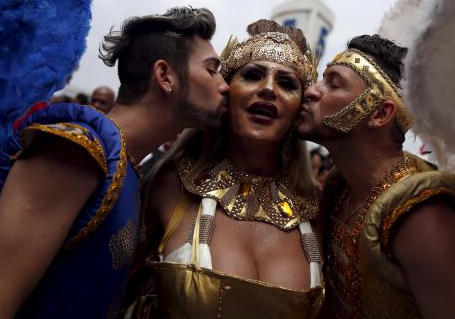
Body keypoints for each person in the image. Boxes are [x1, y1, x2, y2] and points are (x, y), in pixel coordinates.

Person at [0, 6, 229, 318]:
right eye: (212, 70)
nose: (224, 85)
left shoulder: (128, 167)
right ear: (165, 76)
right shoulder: (75, 149)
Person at [125, 19, 323, 318]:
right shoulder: (172, 184)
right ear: (226, 92)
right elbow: (106, 289)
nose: (268, 89)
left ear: (299, 109)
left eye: (286, 83)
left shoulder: (317, 208)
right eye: (253, 75)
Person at [297, 34, 455, 318]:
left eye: (334, 83)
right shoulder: (339, 191)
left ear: (380, 113)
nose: (312, 91)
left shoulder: (421, 216)